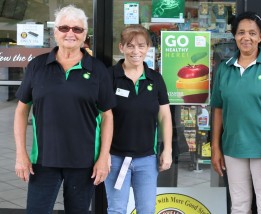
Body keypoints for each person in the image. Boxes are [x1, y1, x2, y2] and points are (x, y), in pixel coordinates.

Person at [14, 5, 116, 214]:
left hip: (84, 162)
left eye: (77, 29)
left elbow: (107, 116)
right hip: (43, 160)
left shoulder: (97, 69)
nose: (70, 33)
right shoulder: (37, 66)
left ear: (85, 35)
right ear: (55, 32)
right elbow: (21, 110)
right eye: (64, 28)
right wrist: (21, 153)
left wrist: (104, 156)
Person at [210, 11, 261, 214]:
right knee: (238, 206)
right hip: (233, 149)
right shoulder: (225, 69)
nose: (246, 37)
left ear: (260, 37)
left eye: (252, 33)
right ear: (235, 36)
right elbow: (218, 109)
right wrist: (215, 147)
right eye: (241, 32)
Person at [105, 25, 173, 214]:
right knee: (117, 210)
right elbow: (100, 118)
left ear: (148, 48)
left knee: (147, 210)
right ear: (121, 47)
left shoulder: (155, 79)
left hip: (147, 160)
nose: (136, 51)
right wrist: (102, 155)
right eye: (130, 46)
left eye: (141, 46)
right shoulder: (109, 77)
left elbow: (165, 116)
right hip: (115, 158)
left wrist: (167, 150)